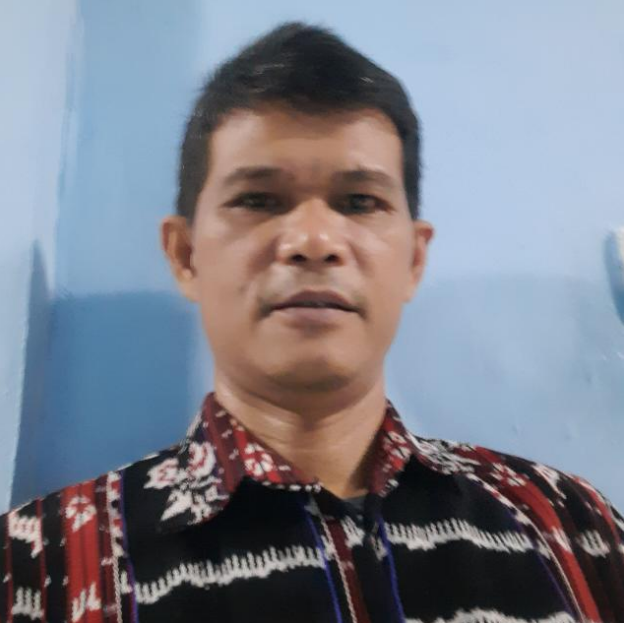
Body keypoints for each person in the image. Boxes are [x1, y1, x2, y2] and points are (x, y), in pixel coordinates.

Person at [1, 21, 623, 623]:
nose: (314, 240)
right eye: (258, 200)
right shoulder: (35, 569)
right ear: (186, 256)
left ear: (414, 259)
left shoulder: (574, 526)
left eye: (360, 202)